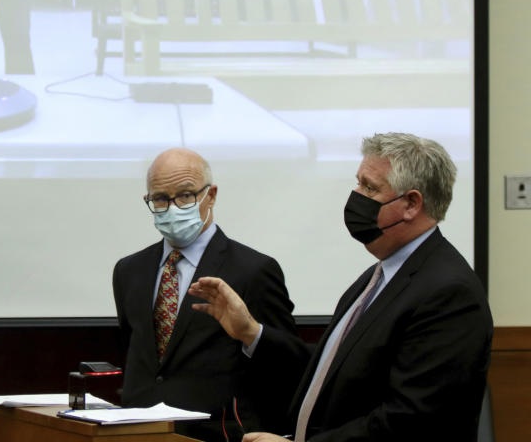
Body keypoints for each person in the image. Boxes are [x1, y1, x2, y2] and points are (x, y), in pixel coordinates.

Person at [189, 132, 493, 442]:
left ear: (412, 204)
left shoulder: (448, 293)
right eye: (358, 182)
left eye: (369, 187)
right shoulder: (378, 276)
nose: (356, 195)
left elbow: (411, 421)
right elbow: (336, 373)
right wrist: (251, 333)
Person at [112, 148, 296, 442]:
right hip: (139, 432)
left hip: (218, 434)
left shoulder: (254, 270)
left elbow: (289, 362)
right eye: (160, 198)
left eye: (185, 195)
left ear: (210, 195)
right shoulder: (129, 270)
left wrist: (251, 333)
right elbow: (136, 351)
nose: (172, 208)